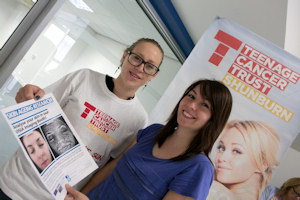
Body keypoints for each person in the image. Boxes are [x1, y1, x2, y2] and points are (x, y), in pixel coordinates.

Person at [0, 38, 164, 200]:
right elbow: (35, 107)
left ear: (153, 76)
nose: (140, 68)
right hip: (12, 183)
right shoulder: (84, 78)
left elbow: (106, 169)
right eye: (136, 58)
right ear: (124, 57)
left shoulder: (138, 119)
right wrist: (28, 95)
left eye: (149, 66)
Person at [64, 79, 233, 200]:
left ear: (214, 119)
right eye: (191, 96)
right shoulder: (153, 132)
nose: (191, 105)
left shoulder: (198, 168)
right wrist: (79, 194)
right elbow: (110, 170)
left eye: (205, 105)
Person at [207, 120, 280, 200]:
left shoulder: (213, 190)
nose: (221, 158)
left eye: (237, 151)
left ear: (263, 165)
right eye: (221, 148)